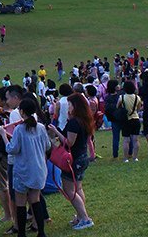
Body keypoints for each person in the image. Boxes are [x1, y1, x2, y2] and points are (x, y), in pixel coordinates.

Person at [0, 97, 49, 237]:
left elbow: (12, 149)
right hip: (38, 169)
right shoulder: (40, 127)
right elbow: (48, 146)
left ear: (22, 112)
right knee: (35, 200)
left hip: (23, 170)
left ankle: (21, 233)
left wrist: (4, 135)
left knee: (21, 203)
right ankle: (41, 232)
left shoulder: (19, 130)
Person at [50, 93, 95, 230]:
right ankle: (81, 216)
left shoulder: (75, 122)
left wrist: (55, 131)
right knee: (78, 188)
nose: (67, 107)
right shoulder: (84, 120)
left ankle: (85, 218)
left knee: (69, 190)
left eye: (69, 104)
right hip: (82, 157)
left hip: (73, 160)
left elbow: (69, 142)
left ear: (75, 106)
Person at [118, 80, 142, 162]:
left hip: (126, 120)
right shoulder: (137, 97)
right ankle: (135, 157)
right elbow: (138, 108)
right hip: (135, 119)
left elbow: (118, 106)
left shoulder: (122, 97)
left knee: (126, 140)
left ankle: (125, 158)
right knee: (135, 139)